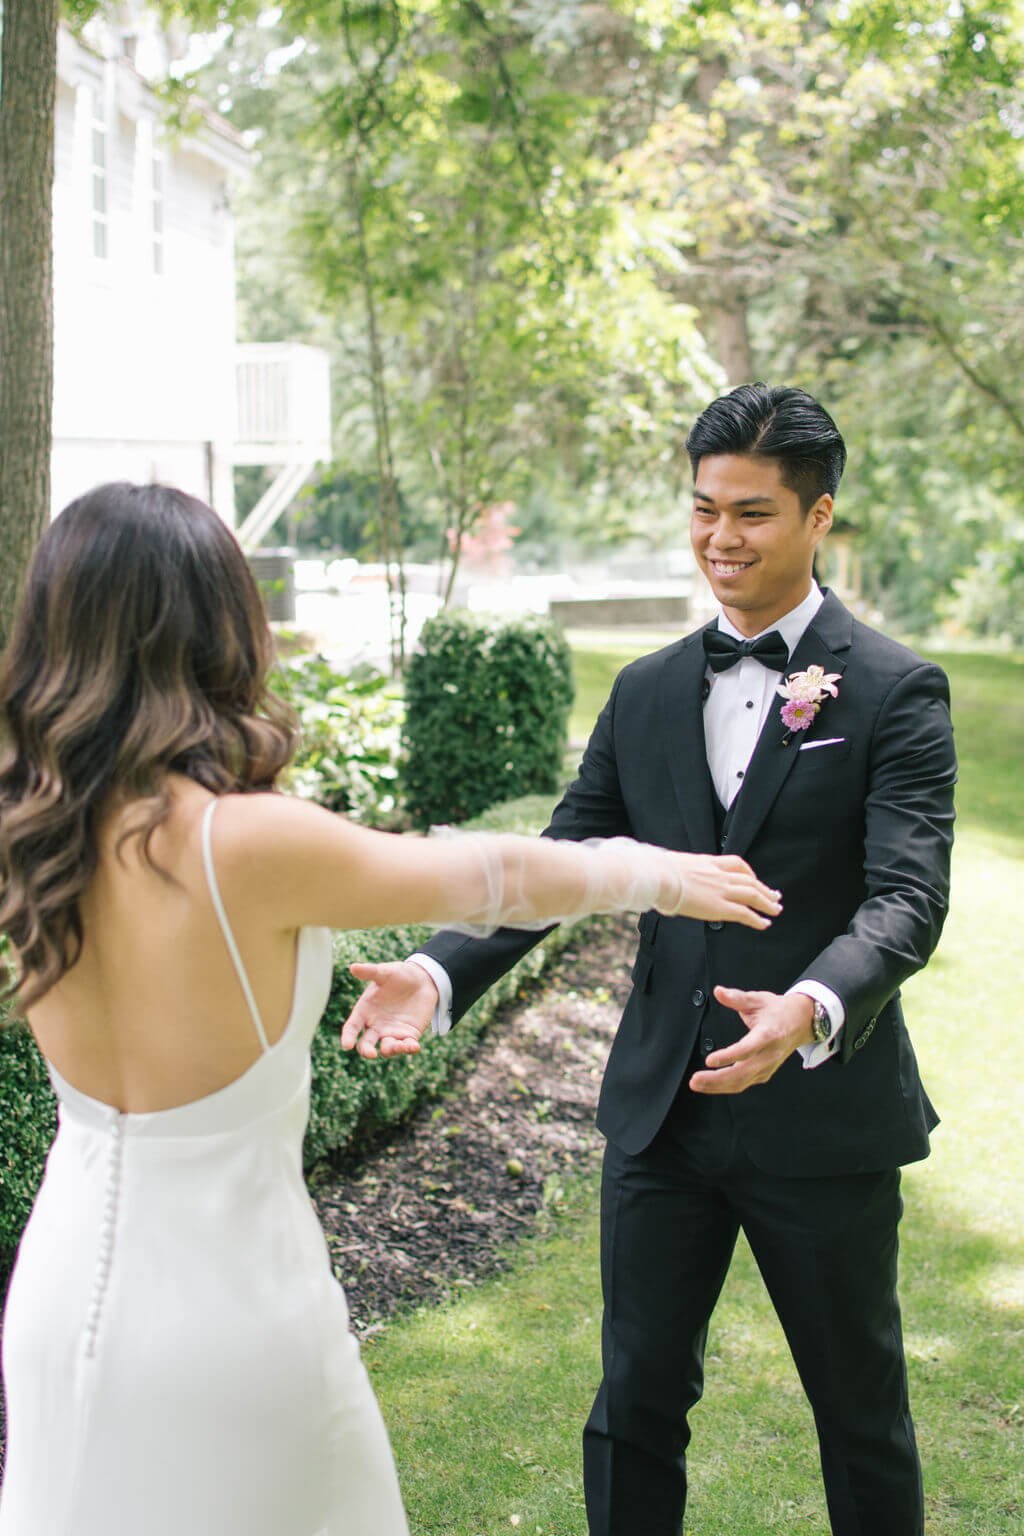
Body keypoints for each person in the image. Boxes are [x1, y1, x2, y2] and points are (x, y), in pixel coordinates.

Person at [0, 481, 780, 1536]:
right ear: (219, 626)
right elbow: (486, 873)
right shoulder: (243, 841)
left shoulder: (29, 835)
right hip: (230, 1308)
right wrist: (657, 874)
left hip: (55, 1297)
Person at [343, 384, 958, 1536]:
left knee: (858, 1410)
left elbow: (906, 899)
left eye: (754, 513)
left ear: (821, 515)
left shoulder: (891, 691)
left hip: (820, 1119)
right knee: (633, 1404)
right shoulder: (645, 690)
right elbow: (554, 863)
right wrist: (435, 974)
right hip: (661, 1115)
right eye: (703, 508)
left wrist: (815, 1005)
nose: (721, 538)